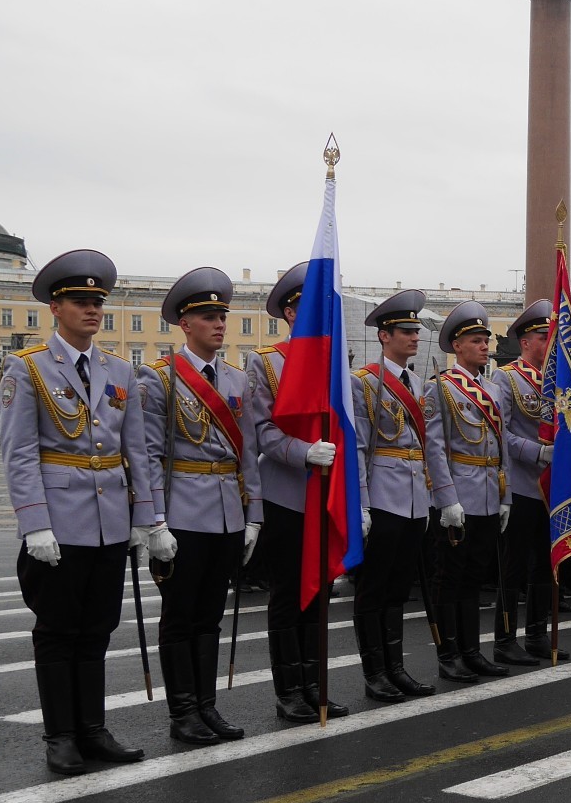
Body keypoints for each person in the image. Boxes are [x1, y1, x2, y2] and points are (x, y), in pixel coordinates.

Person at [0, 249, 163, 774]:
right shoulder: (26, 369)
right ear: (55, 306)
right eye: (80, 301)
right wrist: (34, 523)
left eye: (97, 301)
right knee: (57, 630)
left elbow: (136, 451)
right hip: (61, 522)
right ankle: (61, 736)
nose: (92, 310)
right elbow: (19, 452)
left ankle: (94, 729)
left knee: (97, 629)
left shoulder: (119, 370)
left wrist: (148, 519)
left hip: (110, 521)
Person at [138, 266, 262, 745]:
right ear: (184, 323)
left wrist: (254, 517)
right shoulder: (160, 378)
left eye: (222, 316)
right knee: (180, 615)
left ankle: (208, 706)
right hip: (183, 513)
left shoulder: (236, 380)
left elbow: (247, 451)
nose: (218, 324)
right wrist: (155, 522)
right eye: (207, 316)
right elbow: (149, 454)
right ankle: (183, 711)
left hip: (229, 511)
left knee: (211, 615)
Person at [247, 262, 348, 723]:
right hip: (288, 492)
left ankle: (316, 684)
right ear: (291, 313)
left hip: (327, 493)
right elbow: (263, 432)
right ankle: (289, 689)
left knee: (322, 590)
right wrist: (304, 453)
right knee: (289, 593)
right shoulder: (266, 362)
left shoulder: (336, 364)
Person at [350, 289, 439, 702]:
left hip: (414, 498)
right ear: (384, 336)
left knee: (399, 588)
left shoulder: (418, 383)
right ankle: (375, 672)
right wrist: (363, 504)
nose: (414, 337)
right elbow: (360, 448)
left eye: (416, 330)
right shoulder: (364, 383)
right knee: (374, 588)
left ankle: (396, 668)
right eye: (405, 330)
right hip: (383, 496)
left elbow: (426, 446)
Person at [421, 301, 512, 681]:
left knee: (475, 577)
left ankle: (472, 650)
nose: (484, 347)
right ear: (456, 346)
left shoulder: (492, 390)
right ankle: (448, 654)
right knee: (450, 577)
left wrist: (505, 496)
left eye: (485, 340)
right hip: (460, 495)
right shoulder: (440, 389)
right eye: (476, 341)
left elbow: (502, 445)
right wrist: (447, 499)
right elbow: (435, 448)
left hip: (490, 492)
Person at [491, 299, 562, 668]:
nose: (548, 342)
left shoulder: (556, 381)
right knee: (515, 566)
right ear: (525, 341)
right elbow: (500, 431)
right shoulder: (507, 377)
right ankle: (505, 638)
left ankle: (537, 633)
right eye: (541, 336)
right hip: (522, 483)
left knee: (544, 565)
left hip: (552, 487)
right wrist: (537, 453)